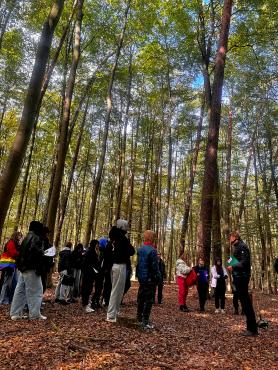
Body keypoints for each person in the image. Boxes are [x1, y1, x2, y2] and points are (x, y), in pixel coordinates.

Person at [10, 221, 46, 320]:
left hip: (23, 268)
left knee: (20, 291)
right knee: (36, 291)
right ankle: (35, 315)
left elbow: (22, 253)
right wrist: (44, 253)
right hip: (31, 268)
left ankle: (15, 314)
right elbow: (35, 253)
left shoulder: (26, 237)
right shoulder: (36, 238)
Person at [227, 231, 258, 336]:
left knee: (246, 302)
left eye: (230, 237)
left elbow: (245, 262)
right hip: (238, 277)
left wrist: (233, 266)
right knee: (245, 302)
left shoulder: (242, 246)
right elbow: (239, 260)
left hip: (242, 277)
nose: (229, 240)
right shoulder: (238, 247)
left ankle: (252, 329)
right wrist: (231, 261)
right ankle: (251, 328)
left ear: (235, 237)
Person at [106, 219, 135, 323]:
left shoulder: (117, 237)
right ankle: (110, 314)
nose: (127, 227)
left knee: (120, 290)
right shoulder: (121, 238)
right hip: (118, 266)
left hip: (118, 266)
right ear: (122, 227)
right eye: (126, 225)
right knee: (115, 291)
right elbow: (132, 251)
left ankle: (115, 311)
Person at [136, 230, 161, 330]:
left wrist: (139, 275)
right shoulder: (152, 250)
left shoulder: (140, 249)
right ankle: (145, 321)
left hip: (142, 278)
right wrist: (159, 277)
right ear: (151, 237)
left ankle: (138, 317)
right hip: (150, 278)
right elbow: (155, 267)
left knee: (141, 297)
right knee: (149, 299)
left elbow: (139, 265)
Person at [0, 231, 22, 304]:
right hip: (8, 265)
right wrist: (20, 254)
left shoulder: (16, 243)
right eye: (19, 236)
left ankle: (11, 299)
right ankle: (3, 300)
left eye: (20, 236)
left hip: (13, 265)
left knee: (14, 282)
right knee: (6, 283)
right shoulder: (11, 243)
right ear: (15, 236)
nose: (20, 237)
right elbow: (13, 253)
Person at [81, 239, 103, 313]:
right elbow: (87, 263)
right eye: (97, 244)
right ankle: (85, 305)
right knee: (87, 289)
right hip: (88, 274)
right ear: (94, 244)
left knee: (89, 289)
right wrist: (92, 269)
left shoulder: (93, 251)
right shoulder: (90, 252)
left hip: (91, 274)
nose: (98, 246)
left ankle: (87, 304)